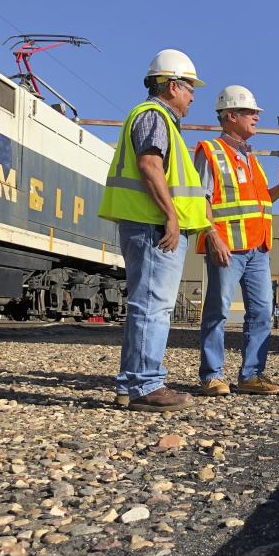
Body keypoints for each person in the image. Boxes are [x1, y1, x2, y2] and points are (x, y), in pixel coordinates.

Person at [98, 49, 210, 412]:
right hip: (154, 226)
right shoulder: (154, 116)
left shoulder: (156, 119)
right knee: (153, 307)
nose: (193, 95)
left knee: (147, 305)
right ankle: (146, 386)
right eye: (190, 87)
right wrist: (171, 216)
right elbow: (149, 164)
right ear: (173, 85)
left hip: (149, 224)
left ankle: (131, 383)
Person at [194, 85, 279, 395]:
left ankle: (251, 375)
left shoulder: (251, 160)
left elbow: (259, 202)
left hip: (257, 249)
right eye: (250, 112)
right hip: (227, 248)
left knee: (262, 312)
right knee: (218, 311)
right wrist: (213, 236)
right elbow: (201, 200)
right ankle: (212, 375)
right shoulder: (210, 152)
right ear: (230, 115)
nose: (256, 117)